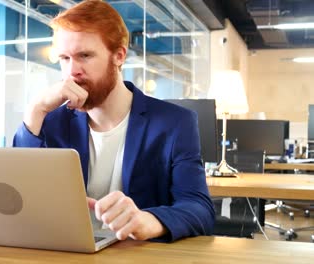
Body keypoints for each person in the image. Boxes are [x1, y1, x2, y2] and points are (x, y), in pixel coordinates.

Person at [13, 0, 214, 242]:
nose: (72, 71)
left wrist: (148, 220)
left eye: (84, 55)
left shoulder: (174, 123)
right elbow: (17, 199)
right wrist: (35, 110)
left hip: (135, 255)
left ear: (119, 55)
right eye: (65, 58)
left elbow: (199, 209)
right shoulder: (50, 121)